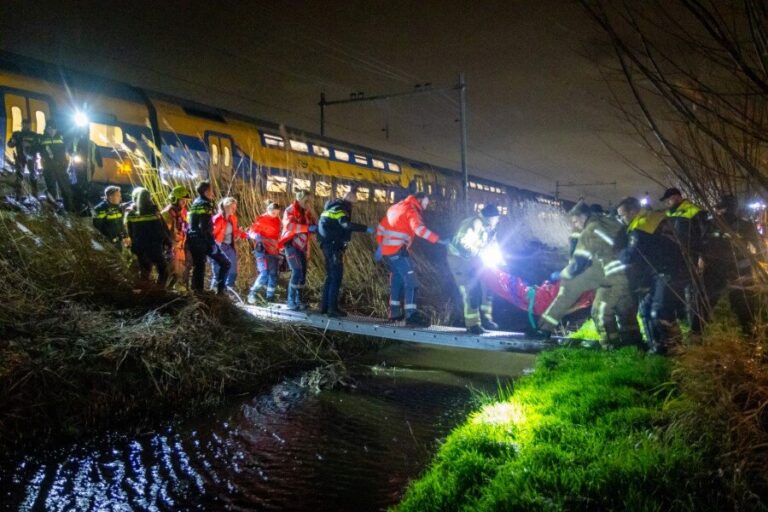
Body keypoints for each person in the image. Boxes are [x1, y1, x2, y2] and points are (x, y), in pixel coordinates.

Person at [538, 201, 640, 348]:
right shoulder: (608, 222)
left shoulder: (590, 231)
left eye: (575, 222)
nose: (575, 226)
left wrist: (560, 274)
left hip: (613, 275)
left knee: (597, 309)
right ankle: (633, 344)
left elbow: (578, 264)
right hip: (628, 272)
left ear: (581, 218)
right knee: (624, 310)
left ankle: (611, 346)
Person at [617, 197, 688, 354]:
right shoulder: (655, 218)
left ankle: (674, 347)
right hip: (671, 270)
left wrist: (617, 254)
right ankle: (657, 346)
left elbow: (630, 255)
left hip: (667, 272)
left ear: (633, 211)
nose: (621, 219)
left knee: (659, 310)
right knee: (646, 309)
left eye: (622, 215)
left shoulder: (641, 226)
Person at [376, 191, 444, 327]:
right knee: (411, 282)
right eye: (425, 202)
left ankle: (394, 313)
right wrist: (438, 240)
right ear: (418, 200)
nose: (426, 205)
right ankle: (411, 315)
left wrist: (380, 246)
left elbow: (381, 228)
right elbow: (420, 230)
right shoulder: (411, 210)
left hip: (388, 253)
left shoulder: (394, 208)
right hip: (398, 251)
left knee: (397, 280)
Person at [702, 195, 765, 334]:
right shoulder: (746, 224)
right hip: (740, 269)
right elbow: (759, 248)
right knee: (744, 305)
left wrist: (704, 261)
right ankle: (751, 335)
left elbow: (703, 245)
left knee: (706, 302)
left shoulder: (712, 223)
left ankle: (697, 336)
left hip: (716, 268)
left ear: (721, 208)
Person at [660, 187, 708, 332]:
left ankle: (695, 324)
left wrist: (702, 256)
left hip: (692, 256)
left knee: (692, 291)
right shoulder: (669, 214)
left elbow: (704, 236)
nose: (667, 203)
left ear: (676, 198)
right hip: (675, 259)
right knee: (678, 289)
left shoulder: (694, 212)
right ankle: (684, 318)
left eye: (668, 200)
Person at [318, 190, 373, 317]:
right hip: (333, 247)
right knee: (336, 277)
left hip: (327, 246)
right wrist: (366, 228)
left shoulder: (330, 207)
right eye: (354, 201)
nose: (355, 204)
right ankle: (332, 309)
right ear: (349, 199)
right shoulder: (340, 209)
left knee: (330, 276)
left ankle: (324, 307)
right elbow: (346, 225)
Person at [447, 204, 501, 334]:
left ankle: (486, 319)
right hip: (459, 261)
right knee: (471, 291)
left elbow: (493, 245)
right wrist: (479, 254)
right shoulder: (474, 224)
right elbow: (462, 244)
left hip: (475, 260)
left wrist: (500, 260)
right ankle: (473, 325)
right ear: (490, 217)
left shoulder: (489, 227)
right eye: (496, 218)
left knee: (489, 287)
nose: (498, 221)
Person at [187, 180, 231, 294]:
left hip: (193, 238)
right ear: (206, 191)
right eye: (211, 190)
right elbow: (205, 226)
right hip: (203, 240)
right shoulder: (206, 204)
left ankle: (197, 293)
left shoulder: (196, 202)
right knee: (225, 263)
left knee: (199, 267)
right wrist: (211, 244)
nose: (213, 193)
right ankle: (219, 292)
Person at [278, 190, 317, 310]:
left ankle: (299, 300)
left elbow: (314, 224)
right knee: (297, 271)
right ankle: (290, 301)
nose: (309, 202)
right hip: (291, 245)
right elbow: (289, 226)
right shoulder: (290, 210)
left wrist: (316, 225)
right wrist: (308, 227)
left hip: (302, 246)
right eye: (307, 200)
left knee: (303, 273)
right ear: (301, 199)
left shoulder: (307, 212)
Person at [124, 187, 169, 286]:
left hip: (139, 247)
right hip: (154, 247)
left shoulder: (130, 213)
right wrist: (167, 242)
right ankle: (159, 291)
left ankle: (145, 292)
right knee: (163, 269)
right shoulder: (153, 212)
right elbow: (160, 230)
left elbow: (129, 232)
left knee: (145, 271)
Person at [247, 202, 283, 304]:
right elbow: (251, 232)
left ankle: (270, 297)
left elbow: (277, 235)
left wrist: (279, 246)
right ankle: (252, 294)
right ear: (268, 210)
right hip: (262, 249)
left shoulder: (277, 220)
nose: (275, 214)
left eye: (277, 213)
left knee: (273, 274)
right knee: (264, 273)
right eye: (273, 212)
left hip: (273, 249)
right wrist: (257, 236)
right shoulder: (262, 219)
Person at [38, 119, 74, 212]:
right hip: (48, 168)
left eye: (52, 128)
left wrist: (67, 163)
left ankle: (69, 210)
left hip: (61, 168)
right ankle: (52, 210)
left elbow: (70, 149)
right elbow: (35, 151)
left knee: (66, 189)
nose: (50, 130)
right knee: (51, 190)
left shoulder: (63, 137)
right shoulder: (42, 138)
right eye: (48, 128)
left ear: (56, 128)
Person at [211, 197, 247, 291]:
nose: (234, 210)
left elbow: (234, 232)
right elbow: (212, 233)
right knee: (218, 272)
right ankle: (214, 293)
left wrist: (243, 233)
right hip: (218, 246)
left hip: (229, 247)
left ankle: (227, 290)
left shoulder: (233, 218)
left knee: (232, 271)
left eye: (235, 207)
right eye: (232, 207)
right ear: (225, 207)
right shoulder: (218, 219)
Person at [161, 185, 191, 289]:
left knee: (179, 273)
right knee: (171, 271)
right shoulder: (167, 214)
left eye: (185, 201)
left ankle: (170, 290)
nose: (184, 203)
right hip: (171, 247)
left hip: (180, 246)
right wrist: (169, 246)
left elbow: (184, 227)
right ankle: (162, 291)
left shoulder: (182, 213)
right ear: (175, 199)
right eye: (182, 201)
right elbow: (164, 233)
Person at [7, 119, 40, 198]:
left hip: (32, 157)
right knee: (19, 176)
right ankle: (18, 194)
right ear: (22, 124)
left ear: (30, 125)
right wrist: (12, 141)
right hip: (20, 157)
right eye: (24, 124)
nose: (26, 125)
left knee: (33, 175)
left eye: (28, 124)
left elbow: (39, 147)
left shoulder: (34, 135)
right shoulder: (17, 134)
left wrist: (31, 146)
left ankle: (35, 194)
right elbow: (10, 145)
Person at [92, 186, 126, 250]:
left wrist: (125, 236)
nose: (120, 198)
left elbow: (121, 223)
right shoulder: (100, 209)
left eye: (120, 196)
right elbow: (96, 228)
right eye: (118, 196)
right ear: (110, 196)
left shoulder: (119, 208)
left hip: (118, 242)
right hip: (106, 245)